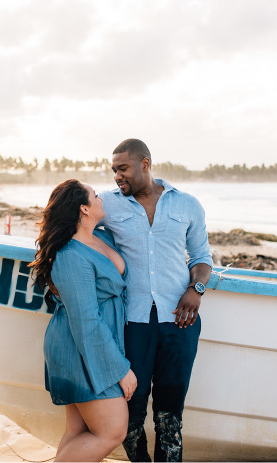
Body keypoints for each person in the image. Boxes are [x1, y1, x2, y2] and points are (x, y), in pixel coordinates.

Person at [99, 139, 213, 462]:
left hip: (180, 322)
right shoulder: (108, 203)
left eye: (123, 169)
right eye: (113, 170)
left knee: (170, 414)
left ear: (145, 164)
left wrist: (197, 289)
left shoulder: (187, 204)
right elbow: (75, 221)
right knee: (131, 412)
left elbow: (202, 257)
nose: (117, 176)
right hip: (133, 322)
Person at [30, 179, 138, 462]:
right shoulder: (70, 256)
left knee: (78, 430)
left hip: (93, 343)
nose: (101, 198)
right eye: (95, 195)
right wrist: (120, 370)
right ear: (84, 208)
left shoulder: (100, 237)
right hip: (78, 348)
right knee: (112, 431)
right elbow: (85, 321)